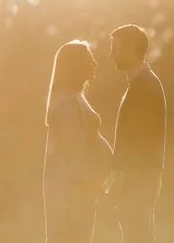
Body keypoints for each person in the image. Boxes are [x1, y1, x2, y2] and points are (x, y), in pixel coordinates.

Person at [43, 40, 113, 243]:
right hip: (71, 192)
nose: (95, 64)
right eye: (89, 60)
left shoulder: (76, 98)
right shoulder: (66, 103)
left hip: (79, 190)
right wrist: (95, 186)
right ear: (76, 65)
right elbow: (76, 153)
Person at [104, 25, 167, 243]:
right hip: (138, 177)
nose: (111, 54)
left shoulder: (144, 86)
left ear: (131, 48)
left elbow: (139, 137)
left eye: (116, 48)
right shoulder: (141, 84)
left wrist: (121, 177)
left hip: (138, 178)